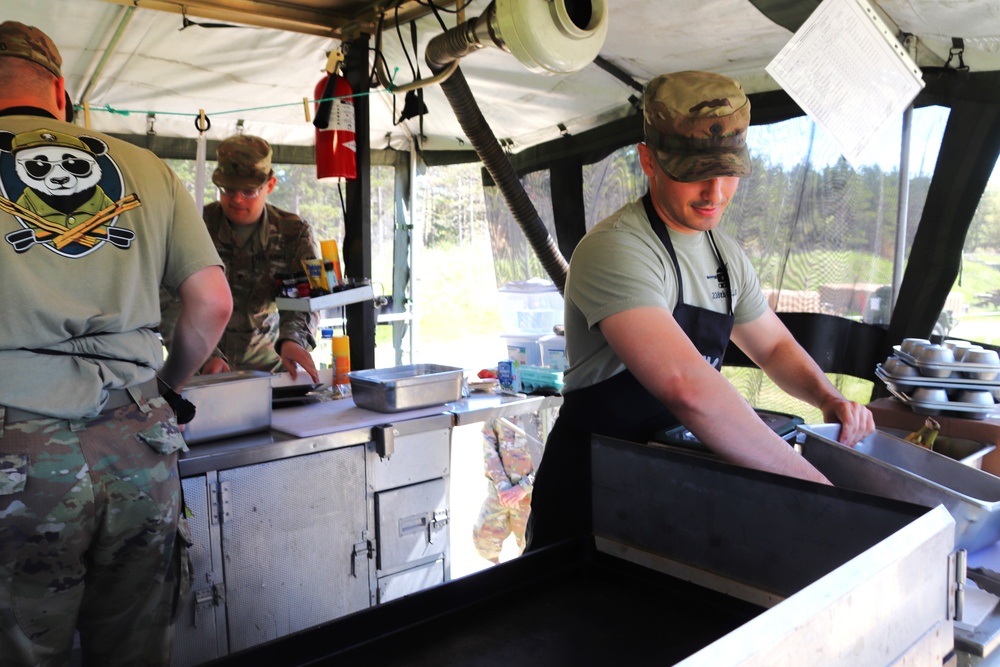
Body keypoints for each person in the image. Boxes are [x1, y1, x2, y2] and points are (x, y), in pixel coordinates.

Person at [525, 71, 875, 551]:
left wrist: (828, 398)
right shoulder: (617, 249)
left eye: (727, 171)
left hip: (668, 487)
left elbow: (771, 346)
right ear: (648, 160)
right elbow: (686, 387)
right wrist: (813, 491)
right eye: (693, 173)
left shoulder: (725, 255)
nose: (715, 193)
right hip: (590, 495)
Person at [0, 20, 232, 667]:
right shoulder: (145, 167)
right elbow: (212, 301)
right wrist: (165, 388)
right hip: (138, 441)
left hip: (14, 451)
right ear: (60, 88)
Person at [160, 134, 322, 383]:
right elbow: (170, 300)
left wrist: (293, 340)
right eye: (228, 190)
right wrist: (205, 356)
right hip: (202, 373)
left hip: (268, 375)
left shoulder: (293, 233)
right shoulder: (195, 226)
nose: (236, 199)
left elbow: (307, 296)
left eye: (249, 191)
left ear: (270, 185)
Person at [472, 416, 535, 564]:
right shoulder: (501, 403)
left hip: (531, 496)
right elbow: (488, 442)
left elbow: (551, 453)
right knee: (483, 539)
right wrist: (502, 485)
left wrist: (524, 486)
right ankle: (497, 578)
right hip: (501, 492)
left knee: (530, 546)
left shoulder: (547, 404)